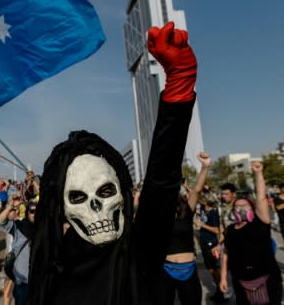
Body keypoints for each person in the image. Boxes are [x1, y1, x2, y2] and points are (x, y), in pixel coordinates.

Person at [29, 21, 198, 304]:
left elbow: (162, 180)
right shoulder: (51, 264)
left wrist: (179, 87)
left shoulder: (136, 252)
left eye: (106, 192)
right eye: (78, 197)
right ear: (62, 208)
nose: (95, 205)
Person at [220, 161, 283, 304]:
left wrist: (259, 173)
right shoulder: (230, 230)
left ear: (252, 210)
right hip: (240, 283)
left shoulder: (261, 223)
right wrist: (223, 277)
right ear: (233, 212)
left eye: (245, 206)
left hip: (267, 281)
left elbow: (261, 197)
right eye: (237, 207)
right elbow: (226, 254)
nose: (241, 209)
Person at [155, 152, 211, 305]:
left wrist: (205, 167)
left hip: (189, 271)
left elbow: (197, 190)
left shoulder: (187, 210)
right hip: (165, 270)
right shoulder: (158, 215)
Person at [0, 196, 36, 305]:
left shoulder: (44, 229)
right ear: (27, 213)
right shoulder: (19, 227)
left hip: (39, 280)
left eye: (37, 211)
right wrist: (9, 207)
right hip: (22, 280)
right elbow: (0, 222)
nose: (35, 214)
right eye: (32, 211)